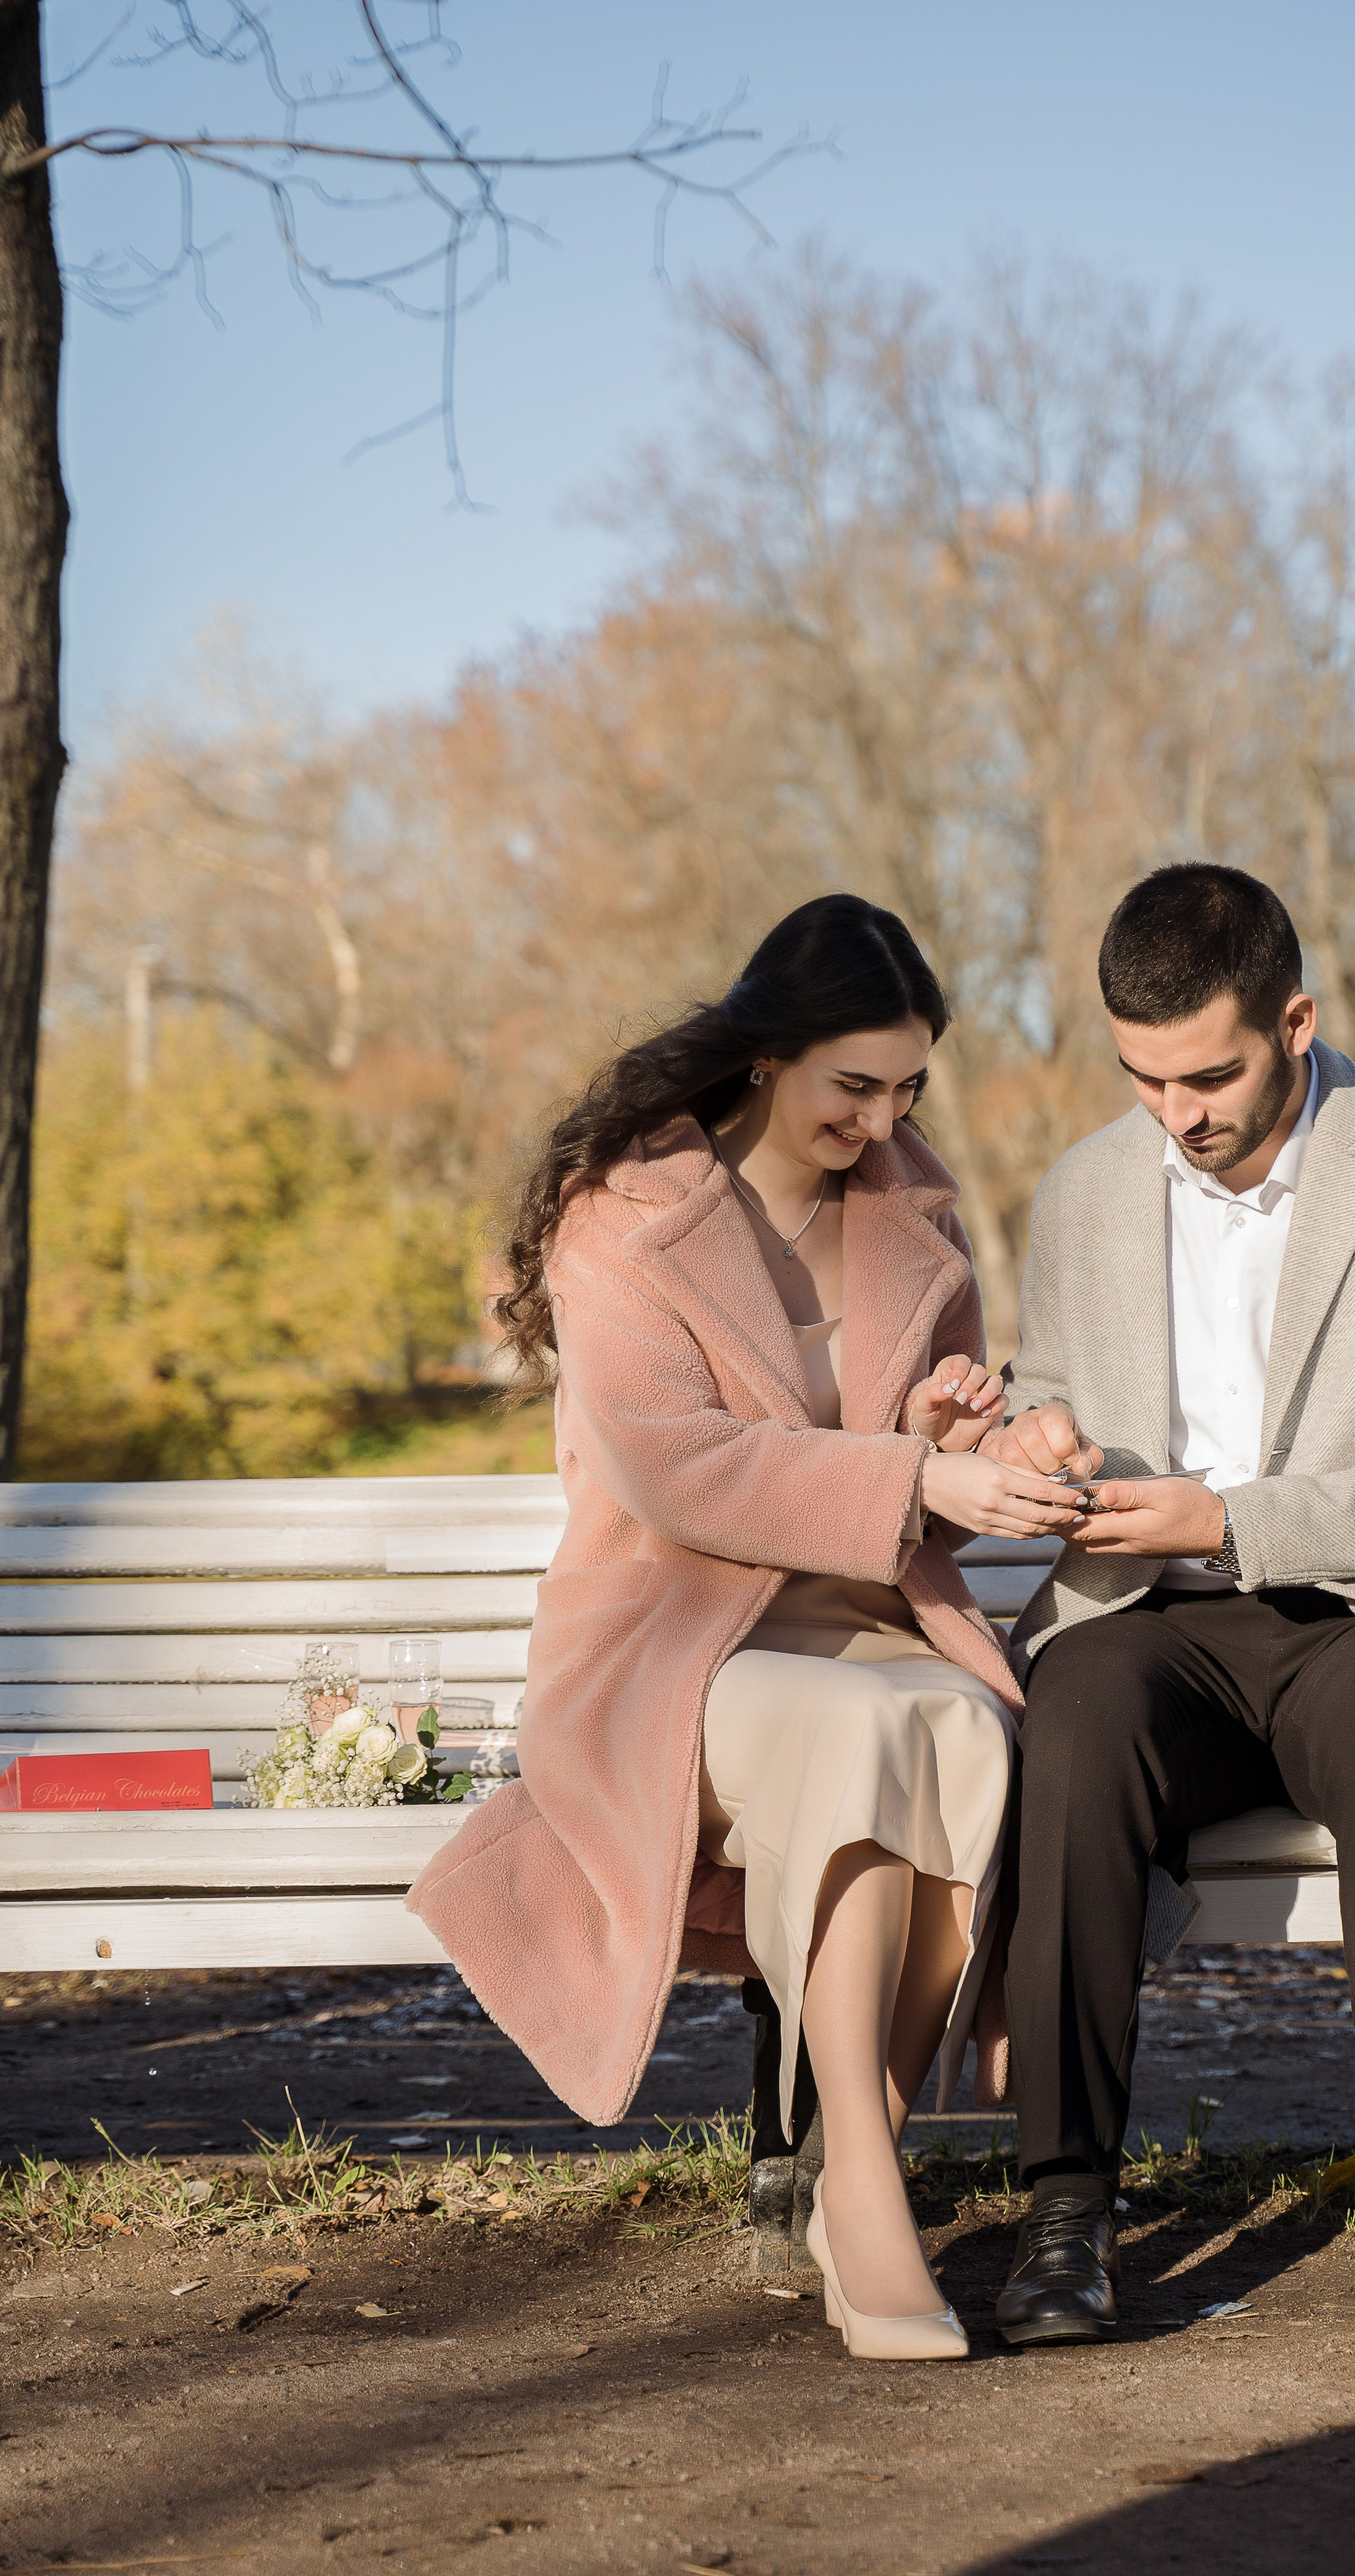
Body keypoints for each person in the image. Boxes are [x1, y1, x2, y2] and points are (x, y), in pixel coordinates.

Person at [406, 893, 1085, 2363]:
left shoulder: (918, 1210)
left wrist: (947, 1432)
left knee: (963, 1728)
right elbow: (681, 1469)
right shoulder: (625, 1219)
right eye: (854, 1084)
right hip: (674, 1645)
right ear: (770, 1054)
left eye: (907, 1087)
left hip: (872, 1619)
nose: (881, 1117)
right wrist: (912, 1470)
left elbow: (924, 1482)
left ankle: (856, 2167)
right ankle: (871, 2193)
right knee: (866, 1733)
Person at [981, 863, 1355, 2345]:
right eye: (1140, 1077)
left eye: (1208, 1073)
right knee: (1074, 1709)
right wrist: (1033, 1446)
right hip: (1145, 1623)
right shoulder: (1081, 1189)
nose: (1172, 1113)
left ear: (1294, 1021)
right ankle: (1061, 2219)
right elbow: (1048, 1394)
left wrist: (1233, 1521)